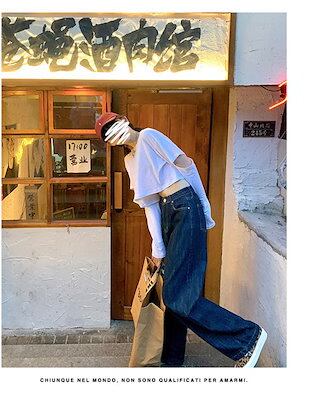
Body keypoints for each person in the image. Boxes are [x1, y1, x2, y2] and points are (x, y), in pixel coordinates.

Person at [95, 112, 267, 368]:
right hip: (169, 212)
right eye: (106, 134)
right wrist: (158, 248)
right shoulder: (130, 160)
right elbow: (150, 205)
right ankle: (172, 358)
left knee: (179, 295)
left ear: (124, 120)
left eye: (112, 125)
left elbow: (188, 166)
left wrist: (204, 207)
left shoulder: (149, 136)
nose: (112, 133)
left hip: (185, 204)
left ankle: (247, 338)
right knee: (171, 289)